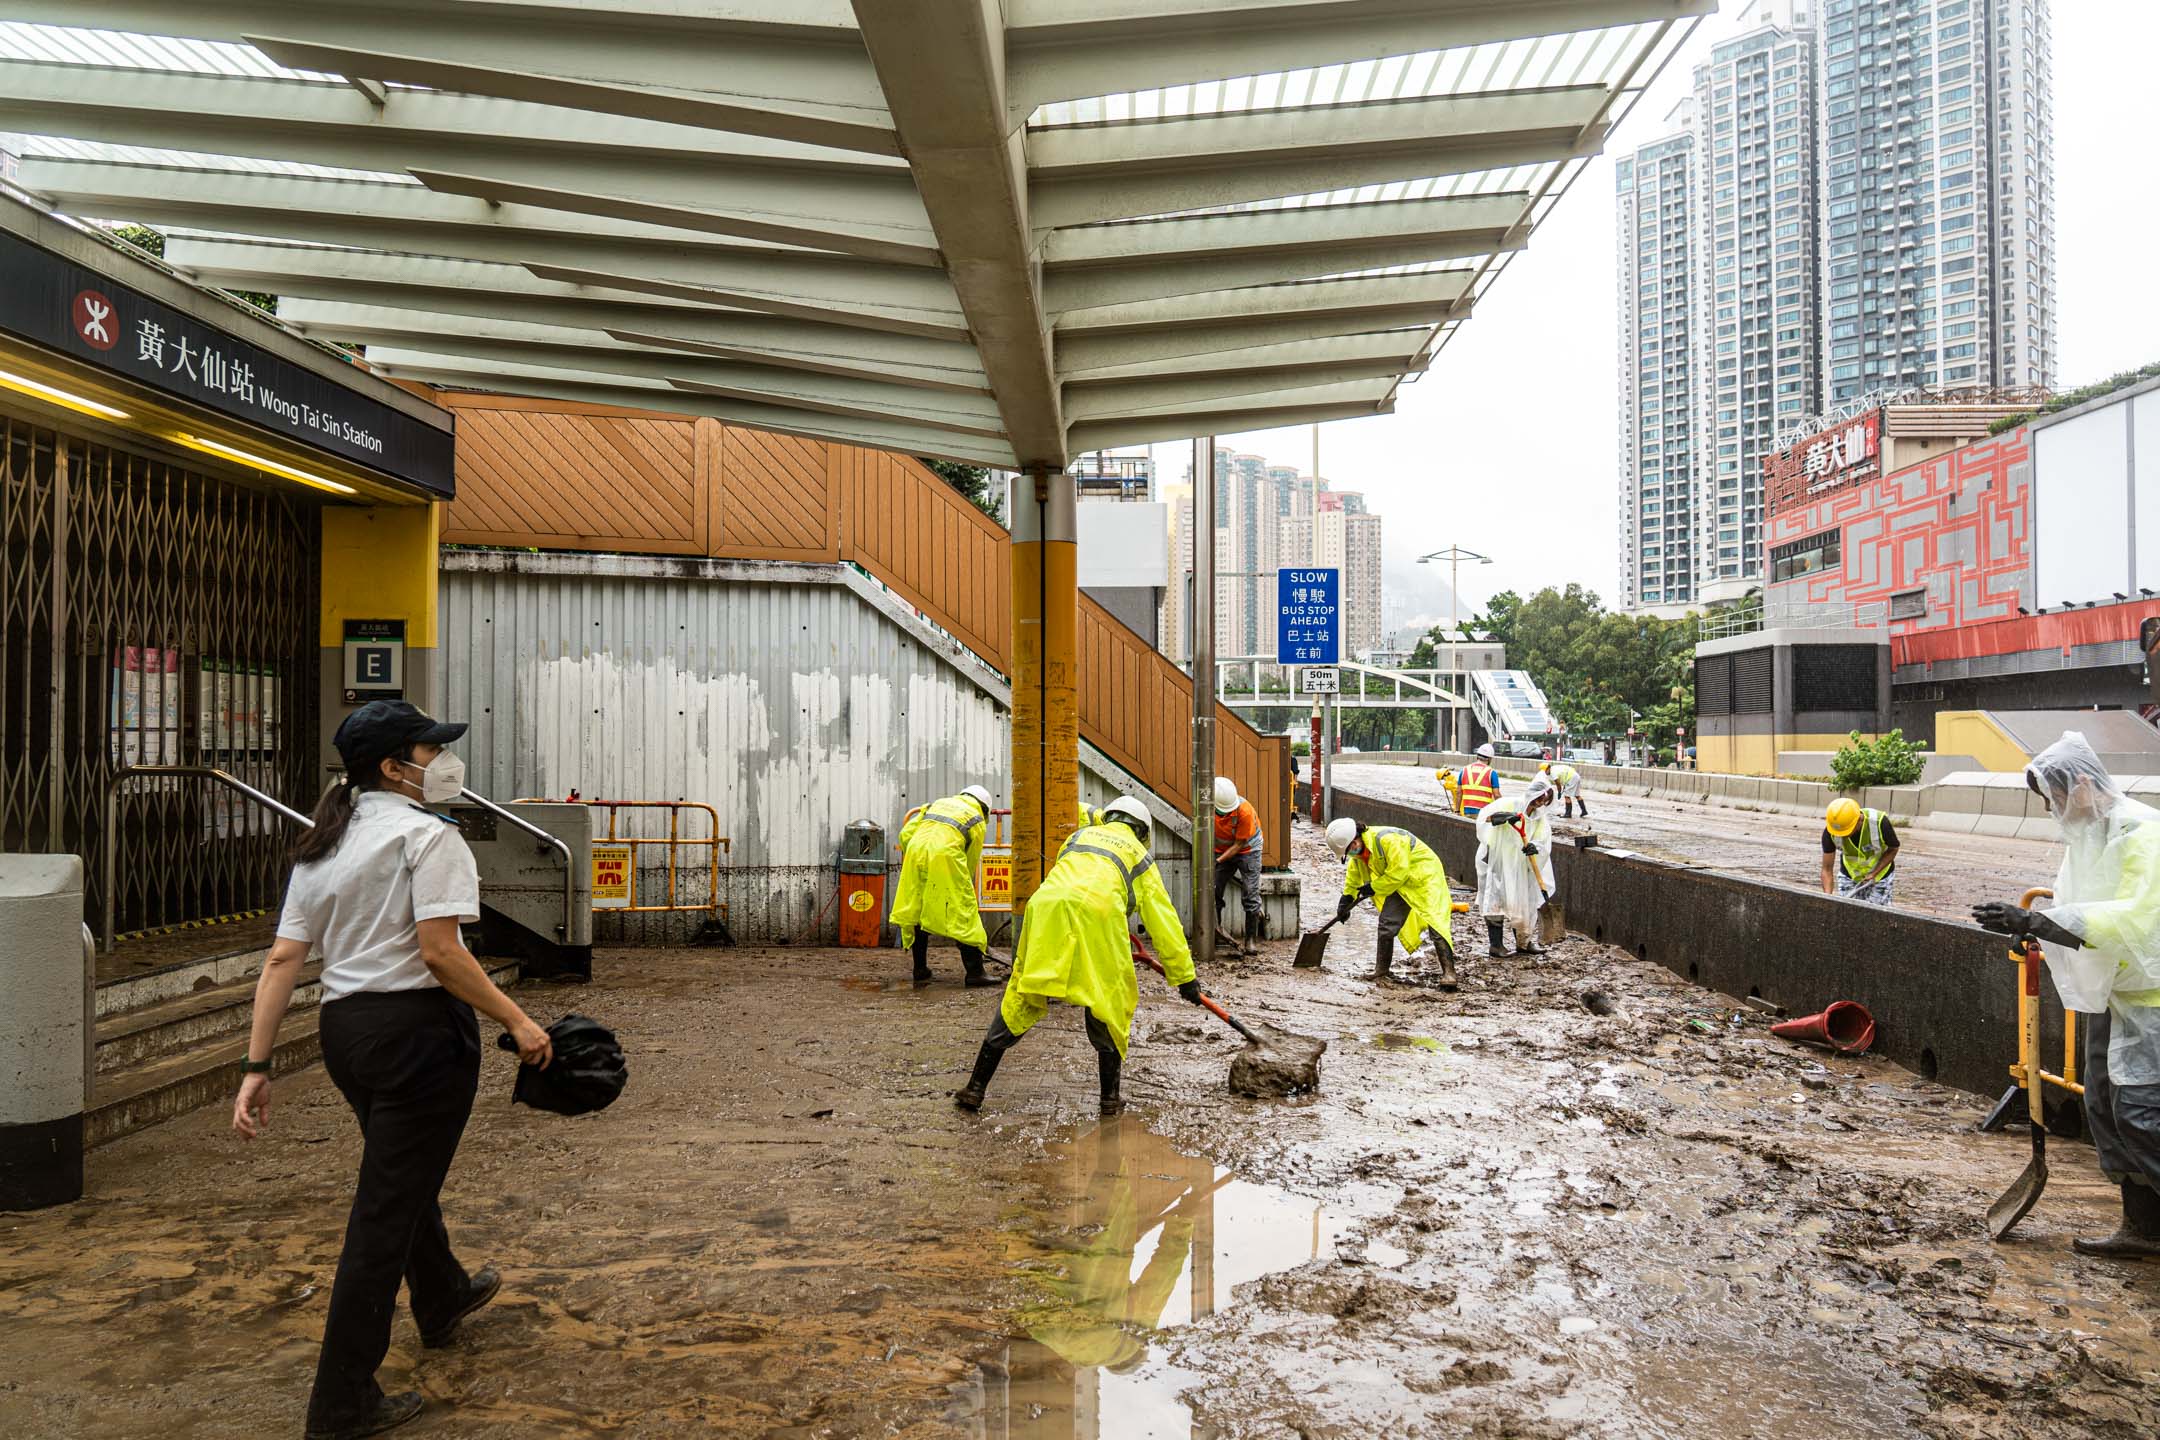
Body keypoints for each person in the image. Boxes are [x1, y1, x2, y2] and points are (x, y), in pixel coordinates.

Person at [232, 700, 554, 1440]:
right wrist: (517, 1017)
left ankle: (439, 1292)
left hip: (348, 1033)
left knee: (396, 1172)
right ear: (392, 767)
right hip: (417, 1033)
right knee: (383, 1210)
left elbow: (284, 959)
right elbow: (442, 953)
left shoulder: (322, 846)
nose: (441, 763)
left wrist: (257, 1064)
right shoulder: (425, 837)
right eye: (428, 749)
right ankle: (342, 1399)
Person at [1975, 733, 2160, 1259]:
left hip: (2152, 999)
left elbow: (2139, 918)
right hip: (2115, 995)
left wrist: (2040, 919)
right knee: (2105, 1110)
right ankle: (2144, 1228)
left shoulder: (2142, 831)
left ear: (2081, 784)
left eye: (2054, 798)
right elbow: (2078, 906)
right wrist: (2036, 929)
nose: (2054, 810)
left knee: (2144, 1117)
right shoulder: (2088, 837)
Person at [954, 797, 1202, 1116]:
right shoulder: (1139, 856)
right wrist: (1184, 978)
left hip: (1045, 909)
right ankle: (1110, 1100)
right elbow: (1163, 921)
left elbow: (1075, 880)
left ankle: (975, 1088)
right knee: (1109, 998)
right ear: (1143, 831)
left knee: (1022, 993)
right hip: (1098, 917)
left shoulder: (1078, 837)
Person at [1325, 816, 1458, 987]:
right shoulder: (1360, 854)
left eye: (1349, 850)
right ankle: (1381, 970)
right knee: (1387, 923)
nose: (1350, 854)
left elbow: (1399, 872)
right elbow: (1354, 876)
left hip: (1424, 877)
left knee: (1436, 922)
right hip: (1398, 882)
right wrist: (1346, 898)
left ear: (1355, 839)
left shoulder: (1387, 840)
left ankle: (1449, 974)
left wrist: (1374, 887)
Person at [891, 785, 995, 986]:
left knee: (918, 908)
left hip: (916, 853)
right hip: (946, 857)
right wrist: (962, 886)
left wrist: (918, 856)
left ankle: (920, 969)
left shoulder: (937, 804)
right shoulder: (976, 818)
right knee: (963, 911)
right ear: (985, 808)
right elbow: (970, 860)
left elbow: (905, 835)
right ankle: (975, 973)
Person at [1477, 776, 1556, 956]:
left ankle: (1524, 942)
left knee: (1523, 902)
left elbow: (1544, 839)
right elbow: (1484, 819)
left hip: (1521, 866)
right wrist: (1504, 817)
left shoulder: (1538, 818)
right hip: (1498, 861)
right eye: (1540, 799)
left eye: (1544, 801)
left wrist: (1536, 847)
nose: (1541, 804)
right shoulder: (1509, 803)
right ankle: (1496, 945)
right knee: (1496, 899)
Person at [1211, 776, 1266, 953]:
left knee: (1250, 893)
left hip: (1248, 850)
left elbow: (1239, 844)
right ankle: (1216, 932)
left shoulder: (1244, 811)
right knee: (1214, 890)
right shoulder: (1207, 807)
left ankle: (1250, 941)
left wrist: (1217, 861)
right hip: (1221, 850)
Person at [1822, 797, 1899, 907]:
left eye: (1846, 831)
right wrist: (1827, 899)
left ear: (1859, 820)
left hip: (1880, 876)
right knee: (1846, 913)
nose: (1841, 835)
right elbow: (1827, 869)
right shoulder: (1833, 830)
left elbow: (1893, 849)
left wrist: (1874, 873)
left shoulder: (1879, 822)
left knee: (1876, 915)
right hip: (1849, 876)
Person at [1456, 745, 1501, 819]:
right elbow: (1496, 795)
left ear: (1477, 756)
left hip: (1467, 812)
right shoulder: (1491, 773)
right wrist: (1503, 809)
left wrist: (1457, 811)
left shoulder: (1464, 770)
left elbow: (1458, 792)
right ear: (1489, 759)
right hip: (1484, 814)